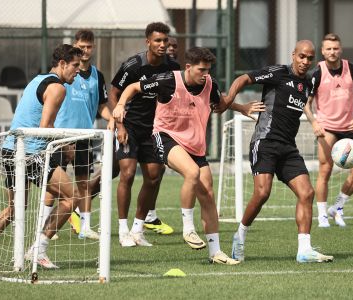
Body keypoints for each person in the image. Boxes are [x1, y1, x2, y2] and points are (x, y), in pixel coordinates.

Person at [113, 47, 261, 264]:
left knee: (208, 194)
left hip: (195, 145)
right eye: (202, 70)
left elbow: (219, 103)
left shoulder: (209, 84)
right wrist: (119, 105)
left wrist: (240, 107)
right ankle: (188, 228)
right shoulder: (167, 80)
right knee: (191, 173)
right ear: (189, 67)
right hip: (165, 137)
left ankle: (216, 252)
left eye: (209, 70)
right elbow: (133, 87)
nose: (206, 74)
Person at [224, 40, 334, 263]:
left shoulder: (309, 83)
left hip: (288, 147)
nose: (305, 61)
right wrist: (229, 99)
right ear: (293, 55)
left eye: (309, 58)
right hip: (265, 141)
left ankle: (304, 250)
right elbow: (244, 78)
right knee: (263, 192)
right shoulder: (278, 73)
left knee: (307, 193)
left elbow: (305, 105)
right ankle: (240, 236)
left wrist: (314, 121)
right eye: (301, 56)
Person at [0, 44, 83, 269]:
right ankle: (38, 250)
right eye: (75, 65)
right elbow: (44, 127)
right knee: (72, 197)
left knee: (14, 209)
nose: (78, 70)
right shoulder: (58, 88)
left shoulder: (37, 80)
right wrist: (66, 145)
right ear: (62, 64)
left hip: (11, 148)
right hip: (31, 152)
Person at [109, 22, 179, 247]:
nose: (162, 45)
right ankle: (122, 231)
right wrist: (119, 124)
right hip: (130, 127)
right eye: (157, 41)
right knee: (127, 175)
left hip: (156, 130)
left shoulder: (173, 67)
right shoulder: (133, 66)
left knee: (153, 177)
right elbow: (114, 93)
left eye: (165, 41)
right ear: (147, 41)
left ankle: (138, 230)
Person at [43, 29, 112, 240]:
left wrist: (114, 119)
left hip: (84, 135)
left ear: (93, 48)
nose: (85, 50)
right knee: (53, 184)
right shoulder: (63, 73)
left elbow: (101, 106)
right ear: (75, 45)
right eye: (81, 46)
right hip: (60, 135)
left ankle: (85, 227)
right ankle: (45, 226)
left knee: (84, 182)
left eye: (89, 47)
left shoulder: (97, 76)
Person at [304, 33, 353, 228]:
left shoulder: (352, 69)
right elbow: (307, 103)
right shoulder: (317, 72)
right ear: (323, 51)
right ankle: (322, 214)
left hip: (349, 127)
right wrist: (314, 122)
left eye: (335, 48)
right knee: (325, 169)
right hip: (327, 128)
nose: (332, 52)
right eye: (328, 49)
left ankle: (337, 207)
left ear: (341, 49)